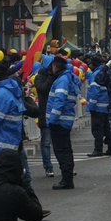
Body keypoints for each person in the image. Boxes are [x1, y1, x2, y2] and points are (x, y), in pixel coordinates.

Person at [45, 56, 81, 190]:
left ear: (55, 66)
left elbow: (59, 100)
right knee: (65, 150)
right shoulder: (67, 78)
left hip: (59, 122)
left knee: (62, 151)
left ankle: (66, 180)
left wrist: (52, 120)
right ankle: (67, 178)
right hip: (64, 121)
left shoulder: (62, 80)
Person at [32, 59, 56, 178]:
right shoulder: (39, 77)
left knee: (60, 142)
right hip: (45, 113)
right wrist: (51, 77)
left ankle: (65, 166)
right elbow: (43, 89)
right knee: (46, 142)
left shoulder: (58, 76)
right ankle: (48, 167)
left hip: (57, 113)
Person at [85, 57, 110, 157]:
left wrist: (91, 107)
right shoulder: (106, 73)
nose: (89, 66)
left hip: (97, 107)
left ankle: (98, 149)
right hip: (106, 106)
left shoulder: (95, 75)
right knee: (107, 128)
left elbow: (94, 93)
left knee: (97, 130)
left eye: (90, 64)